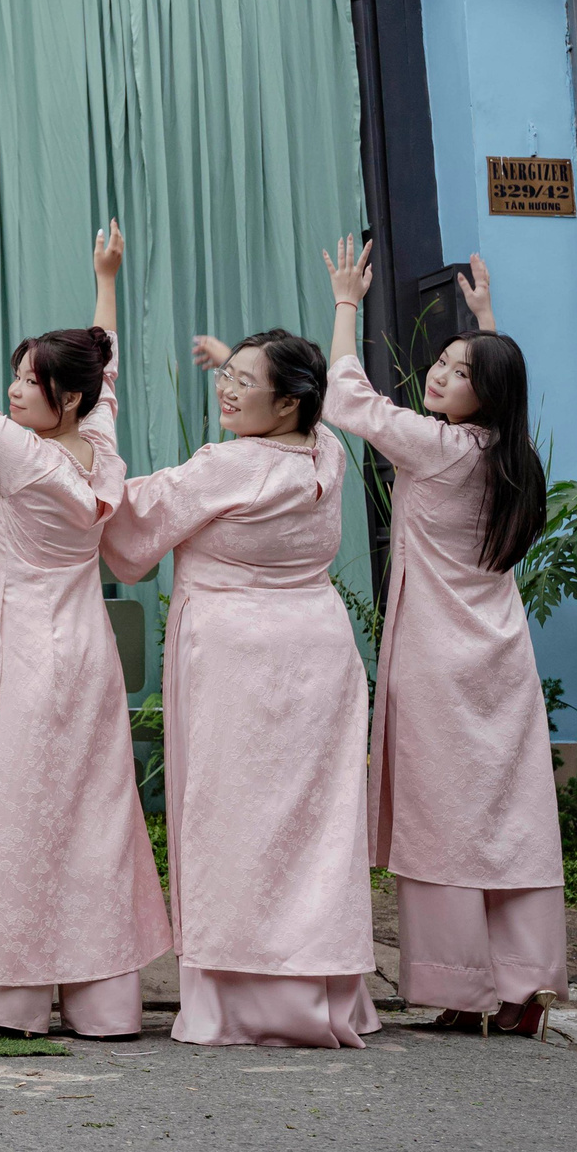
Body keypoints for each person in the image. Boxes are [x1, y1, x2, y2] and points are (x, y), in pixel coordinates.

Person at [104, 327, 377, 1048]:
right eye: (227, 375)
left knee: (230, 819)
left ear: (288, 403)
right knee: (316, 827)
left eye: (242, 381)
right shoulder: (327, 452)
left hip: (236, 660)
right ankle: (321, 993)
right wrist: (242, 363)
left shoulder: (224, 466)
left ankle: (238, 1000)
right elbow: (294, 408)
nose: (225, 389)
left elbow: (125, 521)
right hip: (319, 653)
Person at [0, 225, 171, 1040]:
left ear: (66, 398)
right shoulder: (97, 450)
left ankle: (17, 999)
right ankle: (105, 1004)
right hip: (86, 650)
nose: (14, 391)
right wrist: (106, 280)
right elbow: (109, 380)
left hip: (27, 651)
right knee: (94, 815)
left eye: (29, 381)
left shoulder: (25, 460)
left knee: (21, 813)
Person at [320, 242, 564, 1035]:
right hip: (499, 652)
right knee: (510, 816)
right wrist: (486, 323)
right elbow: (504, 390)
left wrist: (347, 302)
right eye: (445, 362)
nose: (440, 375)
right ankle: (524, 988)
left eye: (462, 372)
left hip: (437, 656)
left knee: (444, 818)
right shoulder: (513, 456)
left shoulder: (438, 449)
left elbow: (347, 396)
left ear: (484, 393)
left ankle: (464, 989)